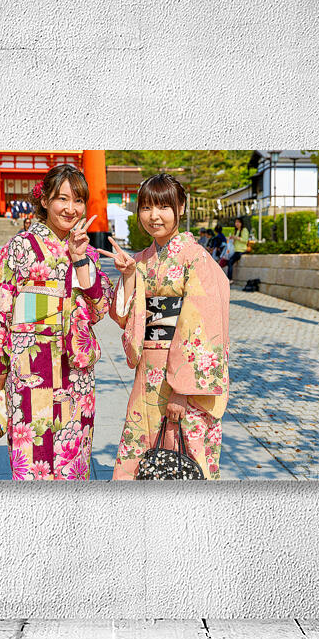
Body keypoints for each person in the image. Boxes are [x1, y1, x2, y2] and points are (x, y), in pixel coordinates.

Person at [0, 164, 113, 480]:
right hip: (29, 367)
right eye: (62, 199)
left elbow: (100, 309)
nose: (71, 209)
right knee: (32, 459)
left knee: (74, 459)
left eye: (78, 200)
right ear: (44, 200)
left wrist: (80, 260)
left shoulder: (87, 251)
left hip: (76, 371)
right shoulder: (19, 247)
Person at [98, 173, 230, 480]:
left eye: (163, 207)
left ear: (180, 207)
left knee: (184, 454)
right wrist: (129, 276)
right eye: (146, 207)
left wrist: (182, 391)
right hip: (148, 371)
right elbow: (122, 316)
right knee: (141, 449)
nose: (153, 216)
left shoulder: (196, 258)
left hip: (182, 375)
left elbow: (202, 326)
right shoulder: (141, 261)